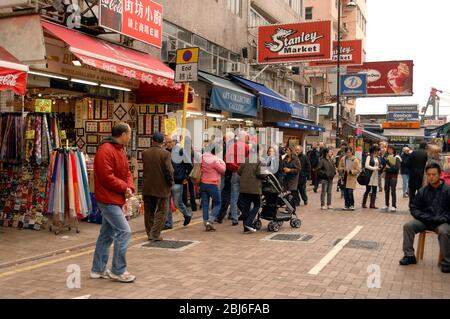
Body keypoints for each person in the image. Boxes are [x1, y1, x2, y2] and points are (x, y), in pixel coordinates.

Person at [91, 123, 136, 283]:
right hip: (107, 199)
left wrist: (129, 186)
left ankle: (98, 269)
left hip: (114, 198)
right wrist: (125, 187)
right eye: (129, 134)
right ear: (123, 134)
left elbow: (127, 171)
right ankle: (118, 270)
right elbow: (106, 177)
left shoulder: (119, 149)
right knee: (124, 232)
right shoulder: (106, 150)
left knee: (106, 235)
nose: (130, 137)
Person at [399, 163, 450, 274]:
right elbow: (414, 207)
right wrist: (426, 217)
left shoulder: (447, 191)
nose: (431, 177)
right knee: (408, 226)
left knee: (444, 231)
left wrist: (442, 218)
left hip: (441, 222)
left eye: (434, 174)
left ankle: (446, 262)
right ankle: (409, 256)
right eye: (429, 175)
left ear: (439, 175)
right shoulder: (423, 191)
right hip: (425, 221)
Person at [142, 132, 174, 242]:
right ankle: (155, 234)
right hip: (162, 188)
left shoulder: (145, 153)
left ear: (153, 141)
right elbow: (169, 171)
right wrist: (171, 183)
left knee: (149, 212)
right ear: (162, 142)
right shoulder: (165, 154)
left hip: (147, 187)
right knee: (162, 211)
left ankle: (150, 232)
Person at [164, 137, 193, 229]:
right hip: (167, 181)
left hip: (178, 180)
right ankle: (168, 223)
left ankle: (187, 214)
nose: (167, 144)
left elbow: (189, 165)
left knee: (177, 203)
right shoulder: (165, 152)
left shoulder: (181, 151)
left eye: (169, 142)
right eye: (166, 142)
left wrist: (186, 177)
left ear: (174, 141)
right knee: (167, 202)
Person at [237, 146, 264, 234]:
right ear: (258, 151)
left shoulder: (245, 159)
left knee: (246, 206)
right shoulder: (259, 161)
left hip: (244, 187)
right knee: (257, 205)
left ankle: (246, 228)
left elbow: (239, 171)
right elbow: (260, 173)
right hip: (254, 188)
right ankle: (248, 223)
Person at [225, 131, 249, 226]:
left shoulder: (231, 147)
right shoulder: (247, 147)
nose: (248, 138)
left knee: (234, 197)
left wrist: (233, 167)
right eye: (246, 137)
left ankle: (234, 218)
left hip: (235, 173)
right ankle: (248, 215)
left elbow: (227, 160)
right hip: (245, 174)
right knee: (247, 196)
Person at [200, 144, 226, 231]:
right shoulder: (215, 160)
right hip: (212, 184)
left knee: (205, 204)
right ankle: (210, 221)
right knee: (218, 203)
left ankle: (205, 221)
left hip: (203, 183)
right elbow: (222, 170)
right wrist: (222, 162)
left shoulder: (202, 157)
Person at [217, 132, 235, 224]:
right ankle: (233, 214)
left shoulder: (227, 148)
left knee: (225, 194)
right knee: (234, 195)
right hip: (234, 173)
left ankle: (221, 215)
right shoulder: (236, 147)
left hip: (227, 173)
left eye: (225, 139)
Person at [338, 147, 361, 211]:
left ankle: (351, 205)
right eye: (347, 152)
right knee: (345, 192)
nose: (348, 154)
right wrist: (343, 169)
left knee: (350, 192)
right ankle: (346, 205)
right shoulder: (343, 159)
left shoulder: (355, 160)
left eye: (349, 152)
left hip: (351, 178)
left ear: (351, 152)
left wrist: (351, 171)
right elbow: (339, 167)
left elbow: (358, 170)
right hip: (344, 177)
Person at [407, 142, 429, 207]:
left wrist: (411, 169)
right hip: (422, 174)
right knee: (421, 191)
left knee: (412, 191)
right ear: (425, 146)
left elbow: (407, 163)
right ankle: (419, 205)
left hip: (413, 174)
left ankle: (411, 205)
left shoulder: (413, 153)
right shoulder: (426, 154)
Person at [381, 146, 401, 212]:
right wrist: (385, 160)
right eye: (388, 149)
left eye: (391, 149)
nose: (389, 151)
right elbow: (382, 165)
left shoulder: (397, 157)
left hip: (393, 176)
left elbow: (396, 168)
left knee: (393, 191)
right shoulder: (386, 156)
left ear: (393, 150)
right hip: (387, 176)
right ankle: (386, 205)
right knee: (386, 190)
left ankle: (393, 206)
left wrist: (389, 164)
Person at [362, 145, 381, 209]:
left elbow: (379, 165)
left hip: (375, 175)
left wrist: (380, 167)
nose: (379, 152)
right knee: (368, 189)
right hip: (369, 175)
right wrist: (374, 168)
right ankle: (364, 203)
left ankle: (372, 204)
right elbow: (366, 165)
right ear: (374, 151)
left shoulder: (378, 158)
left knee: (374, 190)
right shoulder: (369, 157)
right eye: (378, 150)